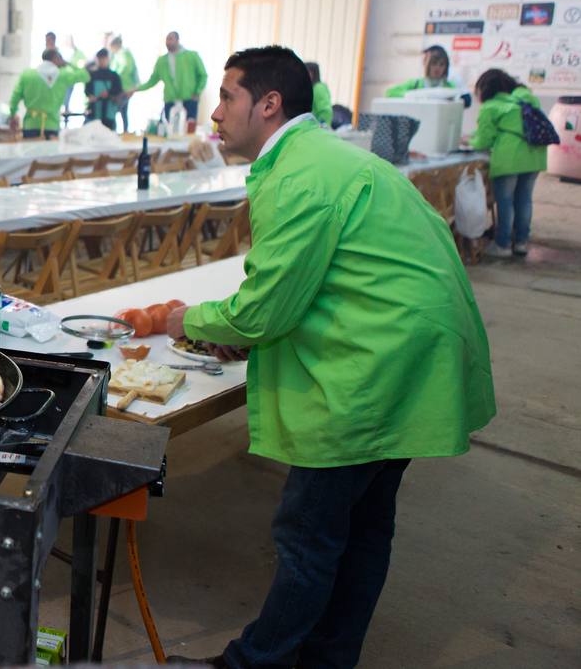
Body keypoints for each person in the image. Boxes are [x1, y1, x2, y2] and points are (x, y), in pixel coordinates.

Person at [164, 45, 495, 669]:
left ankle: (253, 665)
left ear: (269, 104)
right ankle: (327, 658)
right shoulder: (327, 156)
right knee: (364, 528)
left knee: (308, 535)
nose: (214, 114)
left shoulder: (297, 174)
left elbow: (265, 311)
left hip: (377, 362)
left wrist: (195, 319)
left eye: (227, 97)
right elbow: (308, 281)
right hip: (415, 354)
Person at [467, 68, 548, 258]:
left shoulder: (491, 107)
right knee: (524, 200)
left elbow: (483, 141)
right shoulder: (526, 98)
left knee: (505, 201)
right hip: (534, 155)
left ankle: (502, 245)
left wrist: (468, 140)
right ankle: (521, 243)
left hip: (509, 158)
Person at [9, 48, 89, 139]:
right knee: (50, 153)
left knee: (30, 153)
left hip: (30, 124)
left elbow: (14, 98)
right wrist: (67, 63)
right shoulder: (63, 75)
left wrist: (13, 114)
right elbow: (85, 75)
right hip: (51, 125)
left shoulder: (27, 74)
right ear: (57, 58)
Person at [136, 31, 207, 124]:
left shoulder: (192, 56)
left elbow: (203, 75)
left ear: (177, 40)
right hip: (170, 100)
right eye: (167, 39)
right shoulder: (161, 61)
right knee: (170, 128)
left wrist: (197, 92)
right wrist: (137, 89)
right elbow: (152, 80)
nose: (168, 42)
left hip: (190, 99)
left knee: (189, 127)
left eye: (170, 39)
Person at [386, 45, 457, 97]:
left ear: (446, 67)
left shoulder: (450, 86)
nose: (437, 68)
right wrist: (413, 95)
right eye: (434, 63)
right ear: (426, 64)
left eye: (442, 64)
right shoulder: (415, 84)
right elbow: (390, 93)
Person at [83, 48, 123, 131]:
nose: (101, 61)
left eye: (103, 59)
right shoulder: (91, 75)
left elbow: (118, 91)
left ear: (108, 59)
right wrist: (91, 96)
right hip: (94, 113)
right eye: (100, 59)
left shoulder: (114, 76)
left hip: (109, 113)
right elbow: (87, 91)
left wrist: (109, 94)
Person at [110, 35, 139, 132]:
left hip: (124, 88)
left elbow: (125, 68)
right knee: (123, 112)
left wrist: (114, 76)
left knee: (116, 110)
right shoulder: (119, 54)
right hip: (123, 88)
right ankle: (124, 131)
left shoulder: (124, 54)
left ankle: (121, 131)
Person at [305, 61, 332, 126]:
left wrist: (323, 124)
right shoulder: (311, 88)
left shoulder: (318, 88)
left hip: (319, 125)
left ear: (312, 73)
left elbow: (325, 110)